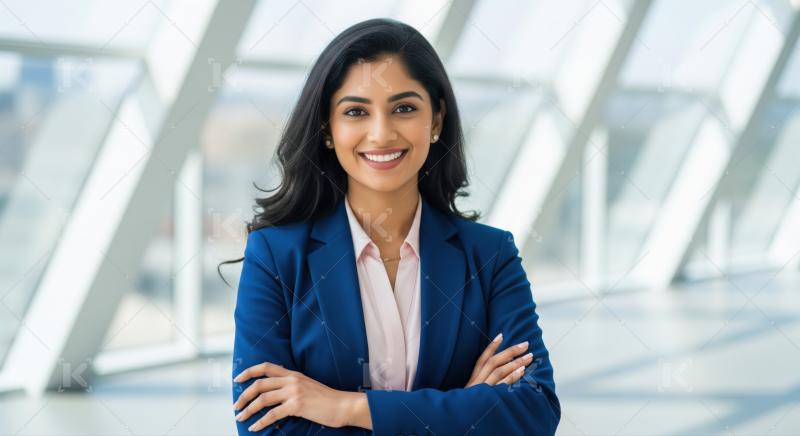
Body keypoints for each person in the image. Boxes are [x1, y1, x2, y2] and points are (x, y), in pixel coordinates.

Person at [223, 17, 560, 435]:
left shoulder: (490, 256)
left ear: (436, 120)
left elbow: (535, 410)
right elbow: (266, 428)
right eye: (356, 112)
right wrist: (462, 407)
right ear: (328, 129)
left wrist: (345, 407)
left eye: (404, 108)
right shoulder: (276, 257)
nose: (381, 134)